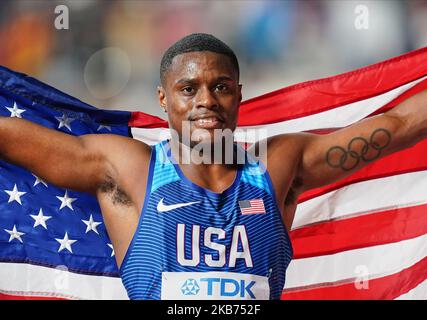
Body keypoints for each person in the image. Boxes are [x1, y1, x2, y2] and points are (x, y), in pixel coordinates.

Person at [0, 33, 426, 300]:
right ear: (164, 99)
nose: (206, 100)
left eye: (220, 87)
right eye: (188, 89)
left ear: (238, 95)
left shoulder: (276, 165)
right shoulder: (126, 169)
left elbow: (399, 124)